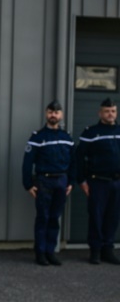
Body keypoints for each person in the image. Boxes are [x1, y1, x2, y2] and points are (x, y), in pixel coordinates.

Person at [21, 100, 74, 266]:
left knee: (54, 218)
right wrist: (28, 184)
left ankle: (51, 252)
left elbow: (73, 162)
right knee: (43, 217)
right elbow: (27, 162)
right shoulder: (38, 137)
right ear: (46, 114)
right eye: (51, 112)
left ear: (61, 115)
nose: (53, 115)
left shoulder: (67, 137)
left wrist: (70, 181)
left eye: (57, 112)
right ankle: (41, 253)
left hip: (61, 181)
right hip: (44, 181)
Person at [75, 97, 120, 265]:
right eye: (107, 111)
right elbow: (79, 159)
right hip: (97, 182)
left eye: (113, 111)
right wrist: (82, 181)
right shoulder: (91, 133)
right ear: (100, 113)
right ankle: (95, 251)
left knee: (113, 217)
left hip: (117, 182)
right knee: (96, 217)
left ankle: (108, 249)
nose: (110, 114)